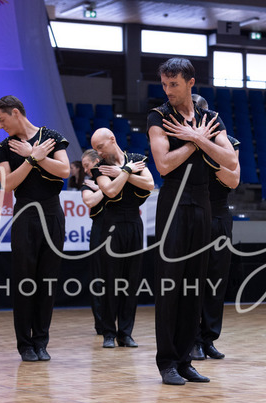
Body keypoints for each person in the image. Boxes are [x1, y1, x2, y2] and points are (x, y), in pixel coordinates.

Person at [147, 58, 238, 385]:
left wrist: (199, 138)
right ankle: (167, 362)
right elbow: (164, 165)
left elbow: (230, 160)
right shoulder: (158, 117)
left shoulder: (211, 119)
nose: (168, 90)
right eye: (164, 84)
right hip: (174, 201)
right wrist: (193, 141)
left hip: (202, 202)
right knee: (170, 283)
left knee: (194, 285)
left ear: (190, 83)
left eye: (174, 84)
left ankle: (185, 360)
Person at [0, 95, 70, 362]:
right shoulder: (3, 147)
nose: (0, 126)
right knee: (25, 280)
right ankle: (25, 344)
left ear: (16, 113)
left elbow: (65, 170)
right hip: (25, 213)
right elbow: (7, 184)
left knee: (48, 280)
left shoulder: (52, 137)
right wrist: (30, 160)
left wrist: (36, 156)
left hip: (52, 212)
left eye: (2, 120)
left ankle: (41, 341)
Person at [90, 128, 154, 349]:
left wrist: (121, 171)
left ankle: (125, 333)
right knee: (110, 280)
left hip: (134, 222)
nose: (99, 153)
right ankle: (108, 332)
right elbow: (110, 191)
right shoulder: (99, 168)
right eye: (96, 149)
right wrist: (126, 171)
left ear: (112, 139)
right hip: (112, 223)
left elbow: (149, 184)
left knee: (131, 280)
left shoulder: (137, 158)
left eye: (100, 147)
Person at [188, 94, 240, 361]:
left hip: (219, 214)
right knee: (192, 281)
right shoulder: (182, 142)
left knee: (216, 280)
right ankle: (191, 339)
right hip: (193, 213)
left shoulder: (228, 143)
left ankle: (208, 337)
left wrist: (206, 149)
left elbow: (233, 179)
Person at [80, 149, 106, 336]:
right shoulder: (87, 184)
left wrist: (102, 188)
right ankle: (101, 324)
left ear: (97, 161)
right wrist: (108, 189)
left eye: (86, 165)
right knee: (98, 278)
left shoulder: (116, 176)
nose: (85, 170)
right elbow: (90, 201)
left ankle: (120, 325)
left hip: (117, 229)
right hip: (100, 230)